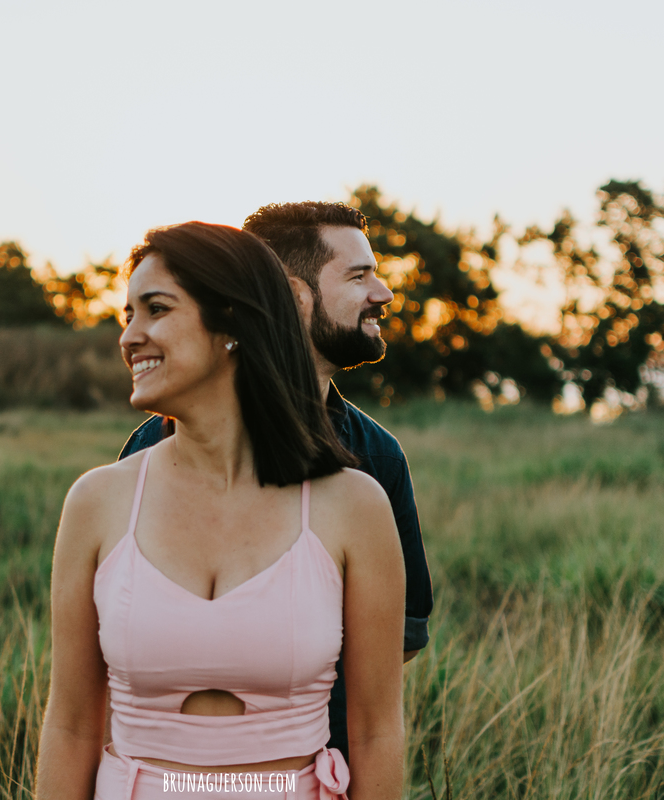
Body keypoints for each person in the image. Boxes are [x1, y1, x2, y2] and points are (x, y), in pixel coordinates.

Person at [36, 222, 405, 799]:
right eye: (127, 315)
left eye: (155, 309)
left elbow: (378, 731)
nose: (129, 337)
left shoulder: (353, 505)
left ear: (232, 320)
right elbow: (71, 726)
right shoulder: (98, 502)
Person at [119, 202, 433, 760]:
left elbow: (399, 640)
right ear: (292, 295)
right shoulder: (153, 447)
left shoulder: (375, 458)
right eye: (359, 276)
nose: (382, 293)